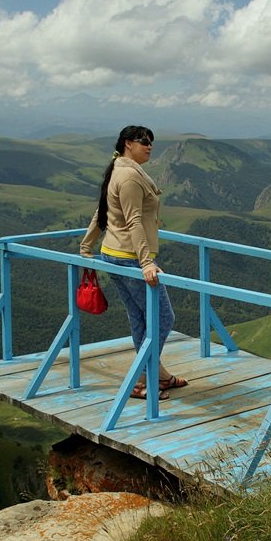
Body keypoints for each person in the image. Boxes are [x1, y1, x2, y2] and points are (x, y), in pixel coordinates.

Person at [80, 125, 188, 399]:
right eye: (143, 141)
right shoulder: (128, 177)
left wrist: (86, 246)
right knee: (164, 317)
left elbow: (101, 212)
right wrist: (146, 262)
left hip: (114, 254)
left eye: (151, 141)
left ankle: (157, 375)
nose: (149, 146)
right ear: (128, 143)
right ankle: (140, 380)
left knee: (140, 316)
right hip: (129, 258)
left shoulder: (119, 168)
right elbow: (134, 220)